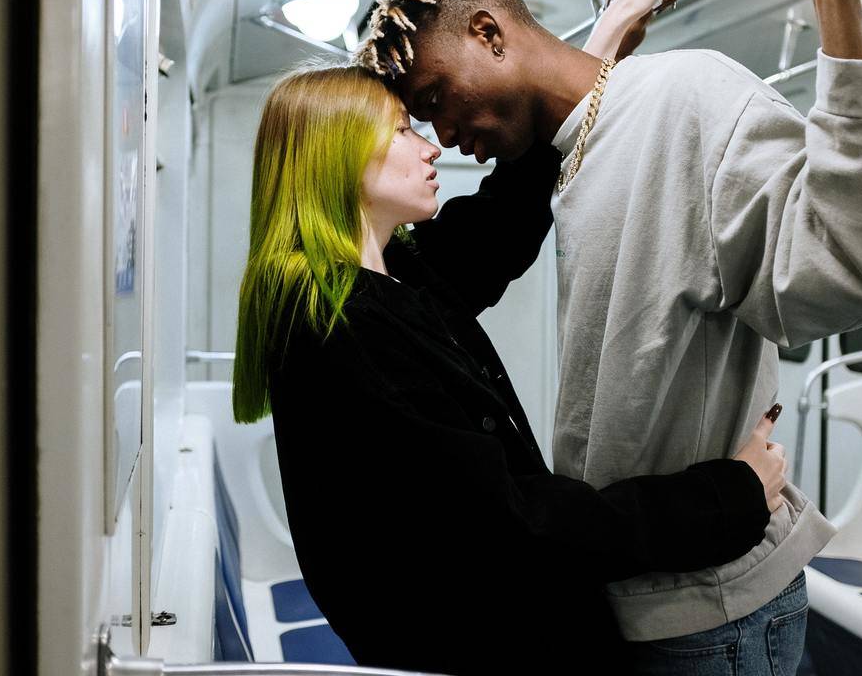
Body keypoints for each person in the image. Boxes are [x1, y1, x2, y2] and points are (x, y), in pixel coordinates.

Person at [354, 0, 862, 672]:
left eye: (439, 99)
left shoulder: (687, 96)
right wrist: (610, 30)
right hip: (626, 595)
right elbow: (485, 236)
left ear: (489, 33)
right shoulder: (564, 158)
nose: (447, 136)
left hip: (713, 612)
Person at [231, 63, 791, 675]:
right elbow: (517, 527)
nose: (429, 148)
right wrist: (728, 496)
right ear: (336, 156)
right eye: (401, 130)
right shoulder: (342, 331)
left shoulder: (389, 281)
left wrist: (599, 48)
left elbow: (498, 222)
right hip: (484, 646)